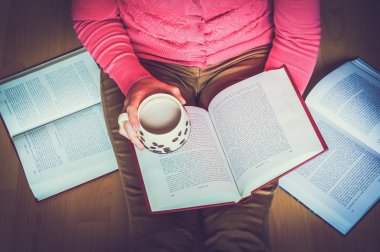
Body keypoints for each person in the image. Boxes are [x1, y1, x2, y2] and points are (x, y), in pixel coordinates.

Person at [71, 0, 321, 251]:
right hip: (144, 60)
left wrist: (269, 103)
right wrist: (133, 78)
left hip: (251, 56)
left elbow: (298, 36)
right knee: (159, 228)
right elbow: (94, 19)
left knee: (240, 227)